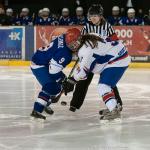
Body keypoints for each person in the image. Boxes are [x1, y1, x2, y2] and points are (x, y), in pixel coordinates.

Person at [69, 4, 123, 114]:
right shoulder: (87, 27)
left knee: (107, 81)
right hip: (90, 57)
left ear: (101, 16)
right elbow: (81, 42)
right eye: (91, 16)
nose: (92, 18)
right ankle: (75, 104)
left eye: (95, 15)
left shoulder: (107, 26)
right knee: (83, 79)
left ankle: (117, 104)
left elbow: (115, 42)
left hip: (103, 58)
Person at [63, 33, 131, 120]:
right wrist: (72, 79)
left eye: (74, 44)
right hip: (117, 55)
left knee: (103, 86)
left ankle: (114, 110)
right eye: (70, 45)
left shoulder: (85, 50)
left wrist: (72, 80)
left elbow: (83, 72)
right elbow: (83, 64)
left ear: (79, 39)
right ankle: (114, 106)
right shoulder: (89, 36)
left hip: (118, 60)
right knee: (107, 85)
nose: (73, 47)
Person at [30, 28, 81, 120]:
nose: (75, 46)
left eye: (76, 43)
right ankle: (37, 110)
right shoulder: (65, 54)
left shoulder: (64, 36)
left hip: (43, 60)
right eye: (72, 44)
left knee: (57, 87)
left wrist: (63, 81)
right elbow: (53, 71)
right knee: (51, 86)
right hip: (39, 64)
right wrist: (62, 80)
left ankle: (46, 103)